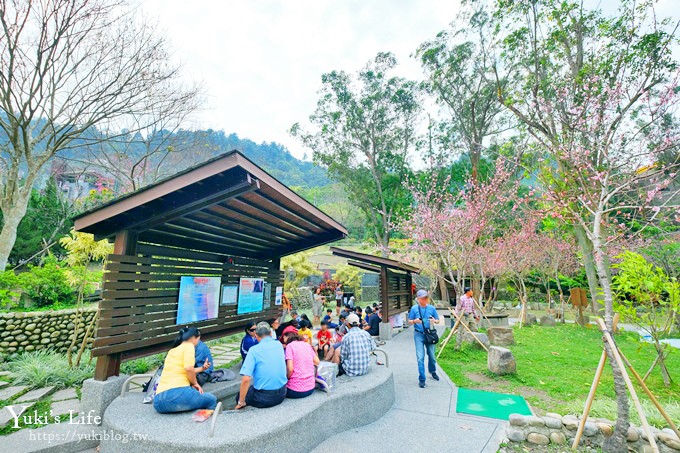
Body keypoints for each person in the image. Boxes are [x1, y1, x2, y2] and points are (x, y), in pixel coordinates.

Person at [153, 327, 217, 414]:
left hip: (158, 402)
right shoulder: (189, 346)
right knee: (211, 400)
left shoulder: (172, 351)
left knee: (192, 395)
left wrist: (202, 368)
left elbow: (184, 369)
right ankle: (204, 422)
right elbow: (188, 368)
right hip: (177, 395)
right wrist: (195, 383)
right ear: (195, 337)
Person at [235, 322, 288, 409]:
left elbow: (246, 379)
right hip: (282, 393)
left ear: (256, 335)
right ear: (270, 333)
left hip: (264, 398)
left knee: (240, 395)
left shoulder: (254, 350)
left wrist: (241, 402)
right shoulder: (278, 344)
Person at [408, 289, 441, 388]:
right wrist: (415, 321)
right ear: (418, 299)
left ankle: (432, 371)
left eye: (426, 297)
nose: (425, 299)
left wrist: (434, 321)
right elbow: (409, 321)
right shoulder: (414, 309)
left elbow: (438, 320)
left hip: (430, 334)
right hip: (419, 335)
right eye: (423, 297)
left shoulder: (432, 308)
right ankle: (422, 379)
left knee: (431, 355)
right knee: (420, 357)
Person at [281, 332, 319, 398]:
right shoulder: (307, 345)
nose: (283, 340)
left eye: (284, 338)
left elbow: (290, 369)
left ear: (288, 338)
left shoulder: (290, 346)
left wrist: (286, 378)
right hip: (310, 388)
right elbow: (317, 361)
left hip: (295, 390)